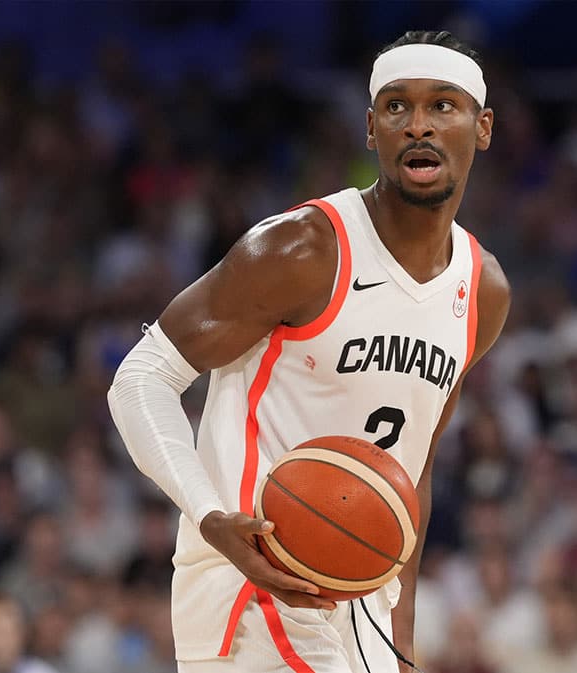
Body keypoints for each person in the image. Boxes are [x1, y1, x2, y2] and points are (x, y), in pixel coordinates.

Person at [108, 30, 510, 673]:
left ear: (482, 127)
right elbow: (139, 379)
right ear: (371, 130)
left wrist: (399, 641)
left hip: (361, 606)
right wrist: (211, 518)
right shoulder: (303, 249)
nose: (418, 125)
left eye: (443, 106)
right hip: (253, 588)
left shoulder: (481, 288)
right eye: (396, 107)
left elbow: (415, 471)